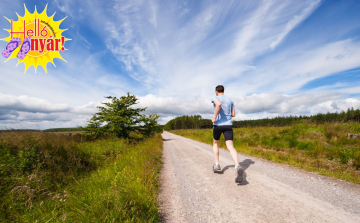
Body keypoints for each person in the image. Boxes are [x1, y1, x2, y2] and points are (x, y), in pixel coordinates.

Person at [211, 85, 243, 183]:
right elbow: (233, 114)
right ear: (223, 91)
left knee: (216, 143)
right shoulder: (230, 100)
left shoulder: (215, 98)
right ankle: (237, 165)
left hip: (218, 125)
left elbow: (218, 104)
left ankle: (217, 164)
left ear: (216, 91)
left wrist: (215, 117)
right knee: (230, 146)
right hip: (228, 125)